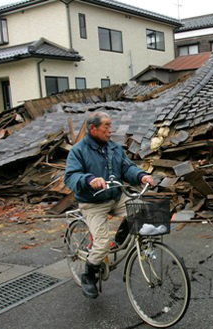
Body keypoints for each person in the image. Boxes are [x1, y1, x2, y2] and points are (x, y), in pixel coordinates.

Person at [65, 111, 154, 299]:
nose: (110, 130)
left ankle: (120, 240)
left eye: (110, 125)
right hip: (93, 202)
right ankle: (88, 275)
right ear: (93, 128)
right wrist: (88, 180)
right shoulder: (78, 151)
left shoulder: (114, 148)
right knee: (102, 243)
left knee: (141, 206)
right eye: (106, 126)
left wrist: (140, 175)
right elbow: (71, 177)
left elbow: (126, 167)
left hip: (114, 196)